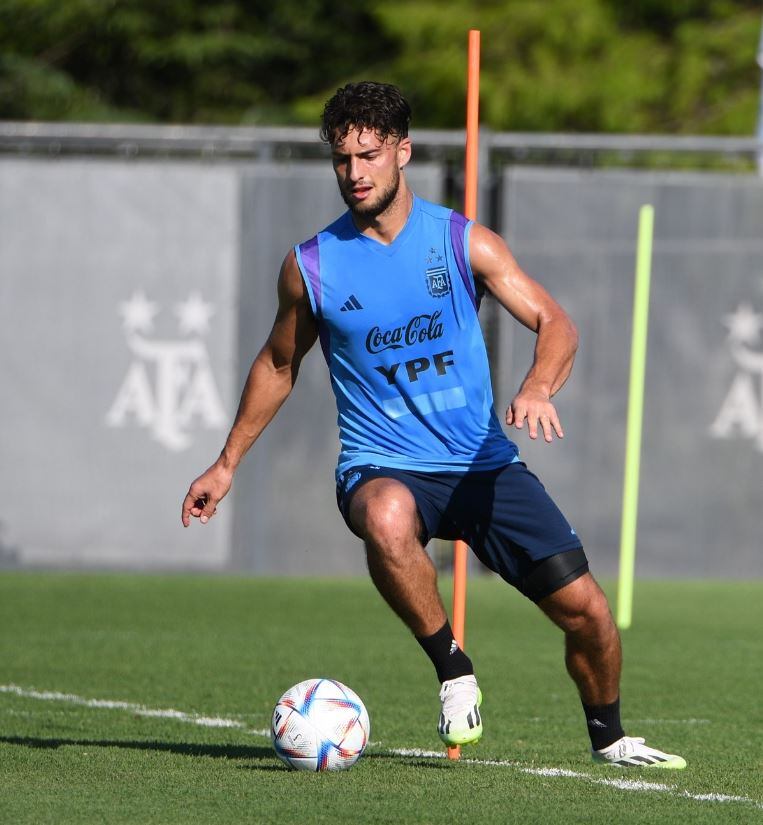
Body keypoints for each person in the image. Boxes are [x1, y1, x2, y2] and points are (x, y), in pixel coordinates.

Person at [181, 81, 685, 769]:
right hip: (382, 464)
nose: (353, 173)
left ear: (403, 153)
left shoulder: (460, 241)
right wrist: (226, 461)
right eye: (341, 159)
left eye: (368, 155)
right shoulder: (312, 265)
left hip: (482, 463)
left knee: (589, 614)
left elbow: (554, 322)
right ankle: (452, 668)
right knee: (386, 518)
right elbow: (276, 362)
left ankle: (610, 736)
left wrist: (537, 383)